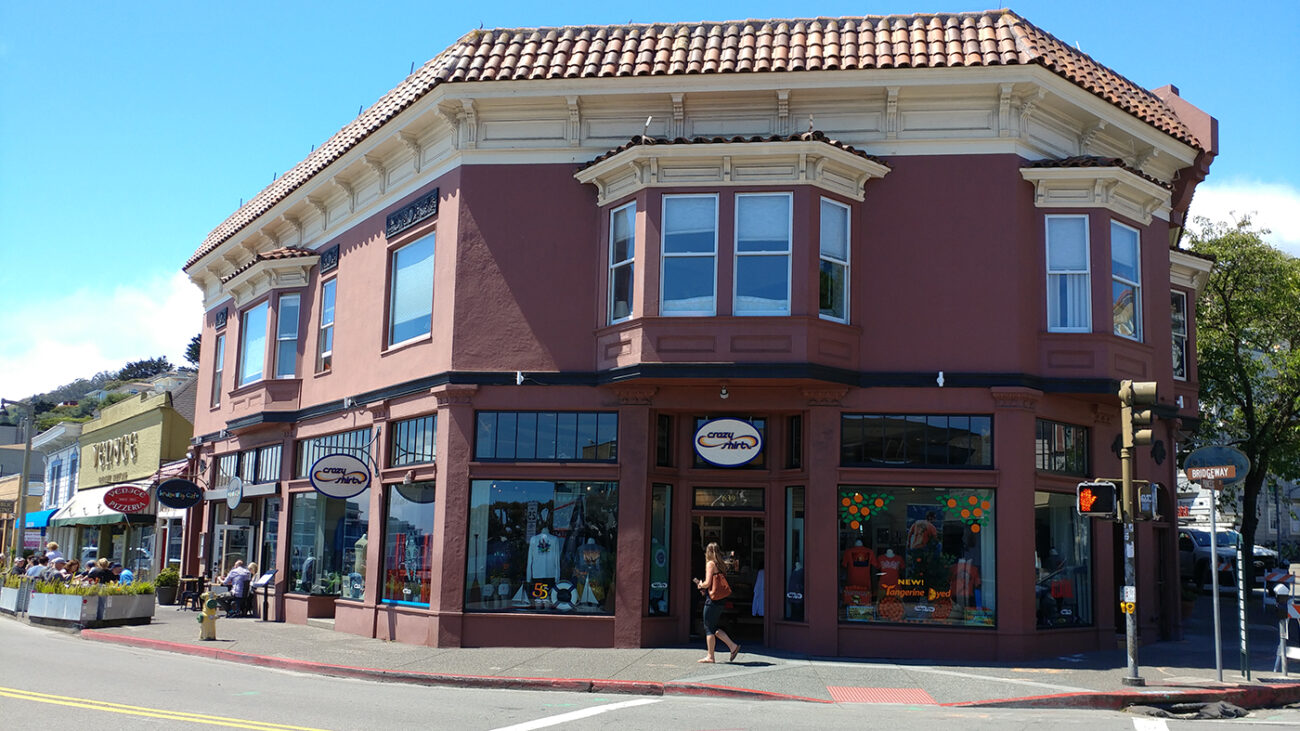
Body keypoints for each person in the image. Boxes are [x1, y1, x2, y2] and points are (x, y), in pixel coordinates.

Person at [692, 542, 741, 664]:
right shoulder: (721, 564)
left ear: (708, 552)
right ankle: (733, 647)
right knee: (713, 627)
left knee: (708, 627)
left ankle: (710, 656)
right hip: (720, 600)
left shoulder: (710, 564)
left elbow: (708, 583)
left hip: (712, 601)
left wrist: (700, 585)